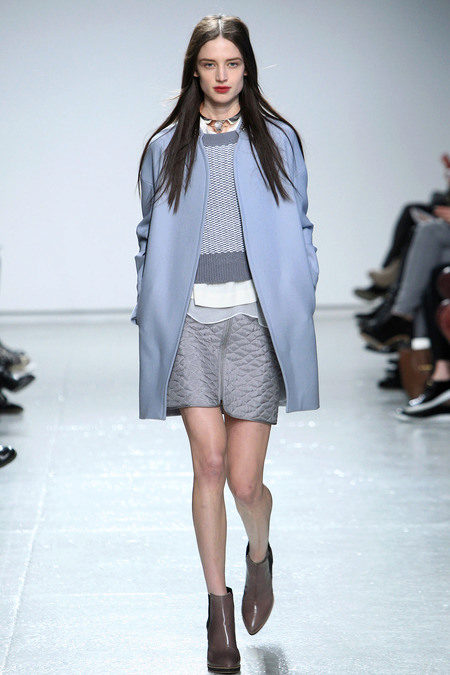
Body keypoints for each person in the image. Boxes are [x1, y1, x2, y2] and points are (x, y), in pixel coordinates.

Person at [131, 14, 319, 672]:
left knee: (244, 482)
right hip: (190, 323)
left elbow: (301, 224)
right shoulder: (165, 148)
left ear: (246, 68)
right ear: (194, 70)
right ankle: (218, 611)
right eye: (209, 64)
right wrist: (149, 303)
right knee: (207, 466)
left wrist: (302, 289)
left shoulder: (278, 140)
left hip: (254, 323)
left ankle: (259, 553)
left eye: (231, 64)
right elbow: (148, 234)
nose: (220, 75)